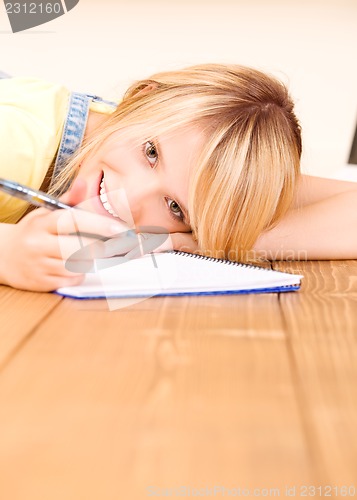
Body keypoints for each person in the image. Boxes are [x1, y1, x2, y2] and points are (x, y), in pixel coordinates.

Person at [0, 64, 356, 292]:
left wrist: (214, 241)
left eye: (174, 208)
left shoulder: (199, 166)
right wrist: (9, 252)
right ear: (142, 99)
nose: (132, 197)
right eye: (150, 153)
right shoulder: (17, 141)